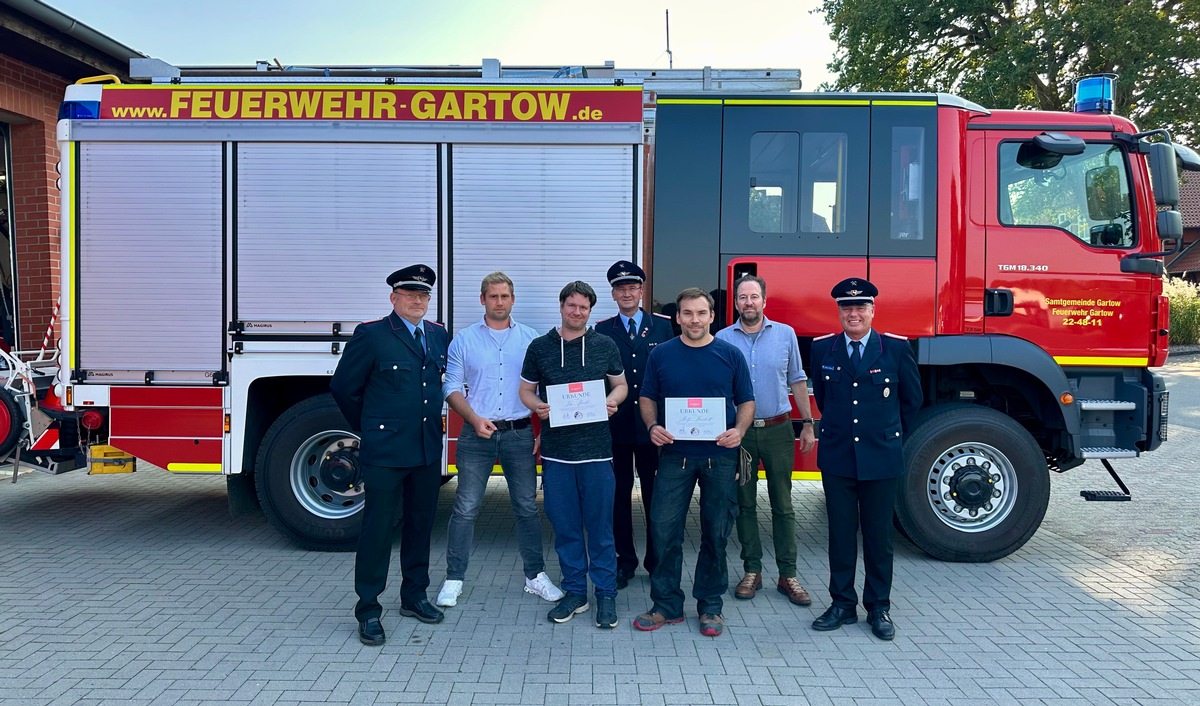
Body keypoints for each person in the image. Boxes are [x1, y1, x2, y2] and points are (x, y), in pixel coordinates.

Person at [330, 264, 450, 646]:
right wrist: (372, 427)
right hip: (385, 452)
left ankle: (414, 596)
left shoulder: (437, 335)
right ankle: (368, 609)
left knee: (420, 526)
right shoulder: (373, 335)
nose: (418, 300)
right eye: (410, 293)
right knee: (378, 530)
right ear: (393, 297)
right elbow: (344, 388)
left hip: (427, 450)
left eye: (424, 294)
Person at [436, 272, 564, 608]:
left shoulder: (530, 339)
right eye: (493, 296)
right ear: (482, 300)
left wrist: (543, 432)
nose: (499, 302)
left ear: (513, 299)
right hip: (476, 434)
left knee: (526, 508)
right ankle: (454, 578)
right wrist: (474, 419)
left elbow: (543, 387)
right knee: (465, 508)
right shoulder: (464, 340)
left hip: (520, 434)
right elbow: (449, 387)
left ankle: (535, 576)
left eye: (505, 296)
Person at [633, 288, 754, 638]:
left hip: (719, 455)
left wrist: (739, 430)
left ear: (712, 316)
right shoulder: (663, 355)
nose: (694, 320)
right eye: (687, 313)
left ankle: (710, 606)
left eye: (701, 313)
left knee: (716, 532)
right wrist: (653, 426)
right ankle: (666, 604)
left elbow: (746, 400)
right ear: (678, 318)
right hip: (675, 456)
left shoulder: (730, 355)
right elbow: (647, 396)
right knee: (662, 529)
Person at [809, 278, 922, 641]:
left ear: (873, 310)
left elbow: (911, 403)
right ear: (838, 312)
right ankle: (842, 604)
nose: (853, 313)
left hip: (880, 458)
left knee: (878, 537)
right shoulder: (822, 349)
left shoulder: (895, 349)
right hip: (839, 456)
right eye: (846, 308)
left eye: (860, 307)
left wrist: (885, 436)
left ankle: (878, 607)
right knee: (841, 536)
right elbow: (824, 399)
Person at [519, 281, 628, 629]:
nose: (577, 312)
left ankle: (606, 594)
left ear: (590, 310)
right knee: (565, 529)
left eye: (583, 307)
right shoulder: (539, 348)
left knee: (600, 530)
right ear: (562, 306)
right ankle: (576, 592)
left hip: (597, 455)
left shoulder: (604, 345)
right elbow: (525, 390)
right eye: (571, 306)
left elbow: (621, 383)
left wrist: (615, 400)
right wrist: (538, 406)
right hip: (557, 457)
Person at [716, 275, 816, 606]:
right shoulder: (722, 339)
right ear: (735, 303)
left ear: (764, 301)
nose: (748, 302)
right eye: (742, 297)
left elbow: (797, 380)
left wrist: (807, 424)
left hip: (777, 430)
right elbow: (716, 388)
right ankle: (751, 571)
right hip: (739, 434)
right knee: (744, 504)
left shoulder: (785, 335)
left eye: (754, 296)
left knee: (784, 505)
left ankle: (788, 575)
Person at [594, 261, 673, 589]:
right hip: (618, 427)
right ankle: (624, 561)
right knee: (618, 496)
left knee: (658, 496)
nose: (627, 293)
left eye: (632, 288)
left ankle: (657, 561)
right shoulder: (602, 330)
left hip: (655, 428)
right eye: (620, 288)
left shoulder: (665, 327)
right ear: (613, 294)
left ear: (642, 291)